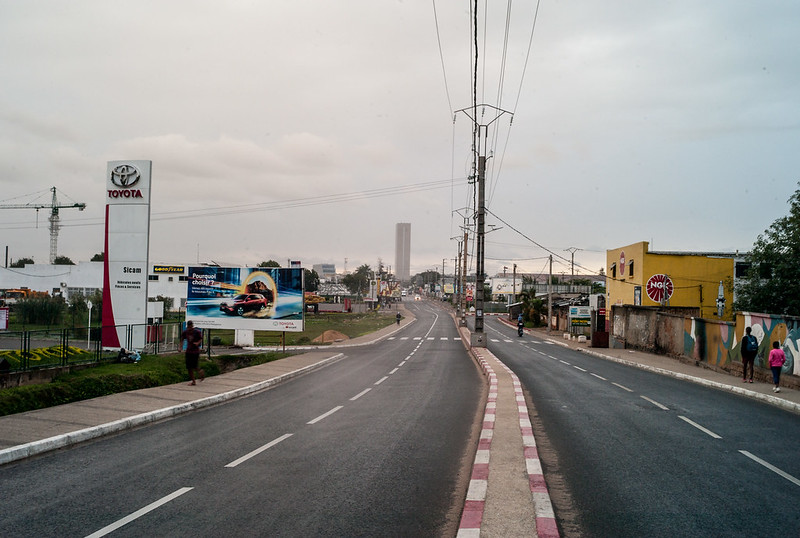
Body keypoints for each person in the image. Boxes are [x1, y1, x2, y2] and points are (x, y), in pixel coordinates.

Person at [181, 320, 205, 386]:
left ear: (192, 326)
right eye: (188, 327)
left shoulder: (197, 332)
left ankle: (200, 372)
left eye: (190, 327)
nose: (189, 329)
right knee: (189, 367)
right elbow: (182, 339)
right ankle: (193, 381)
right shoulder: (185, 332)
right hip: (188, 351)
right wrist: (180, 347)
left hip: (195, 351)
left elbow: (201, 339)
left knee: (195, 366)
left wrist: (197, 343)